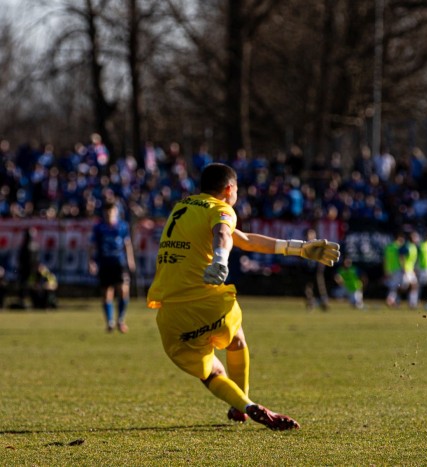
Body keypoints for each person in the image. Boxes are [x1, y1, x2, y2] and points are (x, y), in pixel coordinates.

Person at [146, 163, 340, 431]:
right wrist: (220, 259)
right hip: (208, 301)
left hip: (171, 312)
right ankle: (243, 405)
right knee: (236, 339)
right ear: (229, 189)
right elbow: (224, 233)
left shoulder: (182, 207)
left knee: (210, 372)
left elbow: (245, 239)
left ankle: (245, 406)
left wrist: (299, 248)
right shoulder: (221, 209)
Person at [89, 201, 136, 333]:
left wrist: (130, 260)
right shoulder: (99, 227)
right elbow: (92, 245)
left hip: (119, 263)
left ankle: (121, 320)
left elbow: (127, 244)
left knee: (123, 290)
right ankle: (110, 321)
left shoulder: (122, 226)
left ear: (116, 212)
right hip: (104, 263)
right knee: (107, 293)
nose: (109, 213)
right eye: (107, 211)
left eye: (112, 211)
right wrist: (91, 261)